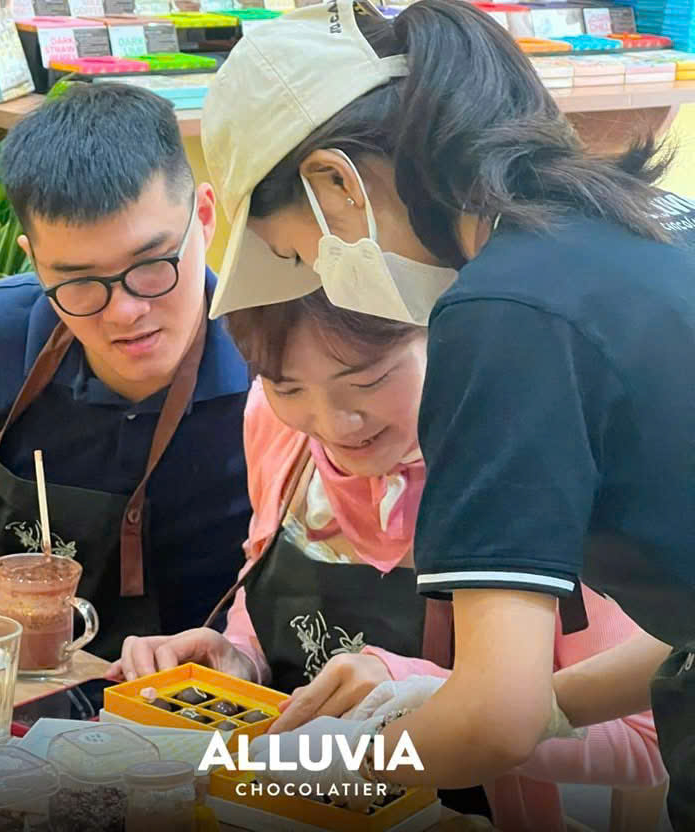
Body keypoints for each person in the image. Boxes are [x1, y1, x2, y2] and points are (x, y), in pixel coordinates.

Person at [198, 0, 695, 826]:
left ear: (335, 184)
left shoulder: (501, 309)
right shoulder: (645, 226)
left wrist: (303, 778)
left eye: (297, 254)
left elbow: (492, 718)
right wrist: (555, 705)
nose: (317, 278)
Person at [113, 289, 666, 831]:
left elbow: (644, 740)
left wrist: (413, 693)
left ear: (447, 338)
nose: (335, 425)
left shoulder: (525, 467)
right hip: (276, 799)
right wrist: (237, 658)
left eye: (368, 379)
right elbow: (265, 592)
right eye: (289, 386)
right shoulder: (277, 425)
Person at [0, 83, 251, 658]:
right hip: (4, 691)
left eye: (152, 266)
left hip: (201, 714)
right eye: (77, 282)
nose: (126, 311)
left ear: (204, 218)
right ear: (34, 260)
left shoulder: (282, 369)